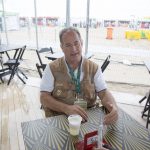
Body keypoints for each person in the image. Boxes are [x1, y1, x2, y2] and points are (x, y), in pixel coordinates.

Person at [40, 27, 118, 125]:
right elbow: (43, 97)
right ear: (62, 47)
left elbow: (103, 92)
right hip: (59, 118)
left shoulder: (94, 68)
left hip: (87, 118)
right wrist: (66, 108)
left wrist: (113, 107)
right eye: (68, 45)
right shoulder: (52, 68)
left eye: (76, 43)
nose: (73, 49)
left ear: (81, 43)